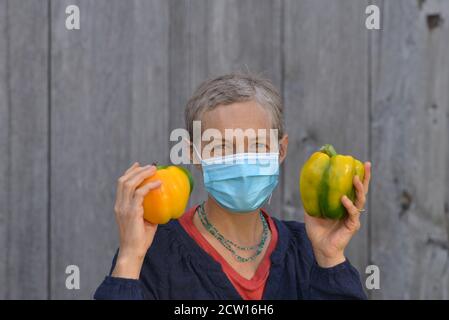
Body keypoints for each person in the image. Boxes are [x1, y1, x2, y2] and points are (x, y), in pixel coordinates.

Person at [94, 73, 371, 299]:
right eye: (221, 147)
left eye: (258, 145)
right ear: (194, 155)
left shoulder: (309, 250)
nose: (240, 162)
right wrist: (130, 257)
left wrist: (330, 256)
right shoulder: (154, 253)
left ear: (281, 150)